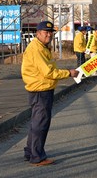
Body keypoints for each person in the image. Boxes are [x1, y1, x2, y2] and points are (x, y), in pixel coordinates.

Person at [21, 21, 79, 166]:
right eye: (45, 32)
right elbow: (48, 72)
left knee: (36, 122)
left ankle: (31, 152)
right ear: (38, 33)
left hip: (40, 89)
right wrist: (69, 73)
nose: (48, 35)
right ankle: (37, 156)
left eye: (50, 32)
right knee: (41, 123)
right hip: (41, 89)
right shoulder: (37, 49)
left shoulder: (41, 47)